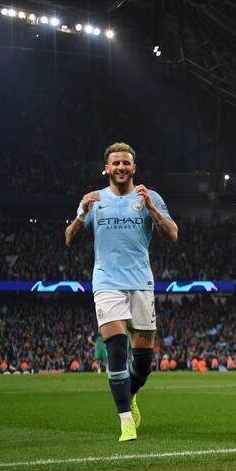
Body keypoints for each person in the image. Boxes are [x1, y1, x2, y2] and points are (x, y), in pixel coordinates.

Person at [65, 142, 178, 442]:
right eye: (115, 163)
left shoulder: (149, 197)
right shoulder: (94, 200)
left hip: (141, 283)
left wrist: (152, 209)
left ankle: (130, 395)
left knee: (142, 362)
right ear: (107, 167)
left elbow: (173, 234)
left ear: (134, 167)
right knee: (116, 349)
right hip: (106, 283)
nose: (120, 168)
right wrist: (79, 215)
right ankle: (126, 422)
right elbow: (69, 239)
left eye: (125, 163)